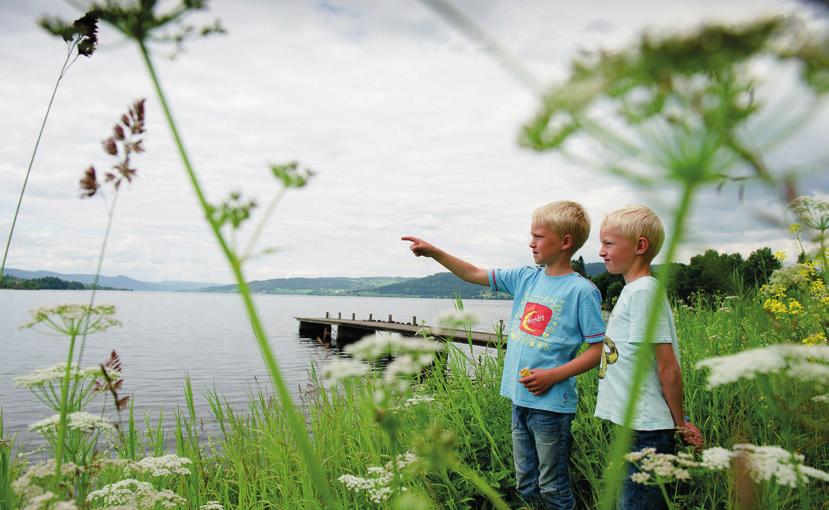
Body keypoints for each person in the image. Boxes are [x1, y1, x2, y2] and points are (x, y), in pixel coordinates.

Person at [403, 200, 605, 510]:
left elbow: (597, 350)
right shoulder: (526, 277)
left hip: (552, 406)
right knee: (526, 482)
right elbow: (472, 273)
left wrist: (553, 375)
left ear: (565, 242)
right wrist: (435, 253)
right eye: (531, 235)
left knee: (553, 486)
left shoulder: (582, 291)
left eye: (539, 236)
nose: (531, 242)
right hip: (519, 399)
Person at [594, 205, 704, 510]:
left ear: (640, 246)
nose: (601, 251)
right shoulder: (634, 291)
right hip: (637, 423)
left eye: (609, 243)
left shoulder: (643, 292)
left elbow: (667, 366)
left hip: (646, 428)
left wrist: (680, 423)